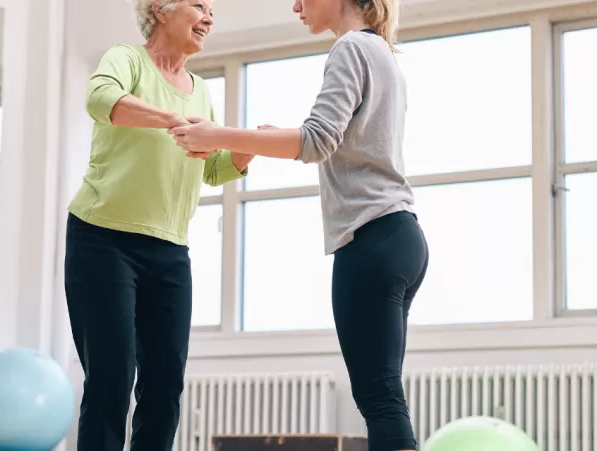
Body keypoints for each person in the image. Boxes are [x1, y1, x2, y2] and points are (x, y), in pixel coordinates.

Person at [169, 0, 428, 450]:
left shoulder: (350, 48)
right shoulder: (383, 52)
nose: (295, 6)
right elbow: (344, 139)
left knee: (379, 399)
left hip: (371, 237)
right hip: (402, 236)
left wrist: (218, 135)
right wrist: (267, 138)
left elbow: (315, 141)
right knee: (384, 394)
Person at [63, 0, 252, 450]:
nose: (209, 16)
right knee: (111, 379)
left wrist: (244, 151)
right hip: (103, 238)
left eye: (212, 10)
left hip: (169, 251)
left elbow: (209, 169)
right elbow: (100, 99)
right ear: (161, 10)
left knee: (165, 386)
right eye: (199, 5)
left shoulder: (201, 90)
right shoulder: (126, 59)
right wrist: (169, 118)